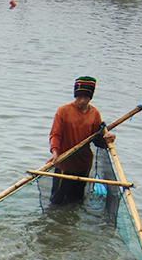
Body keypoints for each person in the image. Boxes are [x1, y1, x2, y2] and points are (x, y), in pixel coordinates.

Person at [48, 76, 115, 206]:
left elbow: (97, 141)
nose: (83, 101)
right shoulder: (63, 111)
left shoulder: (94, 114)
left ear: (91, 98)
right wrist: (55, 151)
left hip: (83, 165)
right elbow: (55, 135)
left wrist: (108, 139)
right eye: (80, 97)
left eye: (86, 97)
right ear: (75, 96)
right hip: (64, 162)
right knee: (56, 201)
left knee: (77, 201)